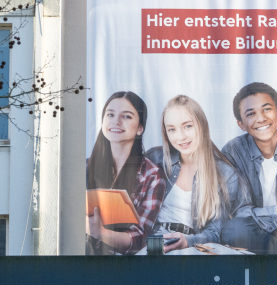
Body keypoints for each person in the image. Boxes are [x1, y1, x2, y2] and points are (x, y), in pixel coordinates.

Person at [145, 95, 246, 250]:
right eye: (172, 129)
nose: (181, 136)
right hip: (153, 241)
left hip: (193, 245)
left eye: (187, 126)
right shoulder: (155, 158)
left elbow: (215, 232)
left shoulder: (225, 174)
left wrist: (187, 242)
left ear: (201, 125)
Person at [219, 82, 277, 253]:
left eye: (267, 109)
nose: (261, 118)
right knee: (233, 229)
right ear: (241, 124)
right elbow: (237, 210)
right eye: (251, 114)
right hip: (254, 230)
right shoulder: (233, 151)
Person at [85, 91, 165, 255]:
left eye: (127, 116)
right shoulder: (84, 167)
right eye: (110, 114)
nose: (116, 121)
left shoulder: (152, 175)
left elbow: (140, 238)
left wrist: (100, 233)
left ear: (140, 128)